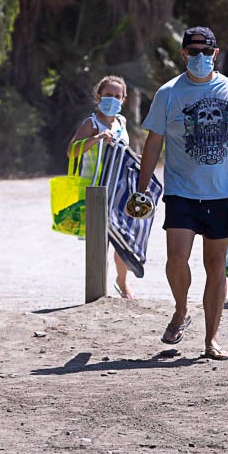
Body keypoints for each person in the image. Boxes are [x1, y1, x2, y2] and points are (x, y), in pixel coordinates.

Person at [135, 26, 228, 360]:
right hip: (182, 191)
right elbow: (154, 142)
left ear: (215, 54)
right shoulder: (169, 93)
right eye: (193, 52)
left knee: (215, 263)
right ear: (183, 55)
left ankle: (211, 339)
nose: (200, 58)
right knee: (176, 259)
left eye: (206, 52)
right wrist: (142, 187)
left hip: (226, 192)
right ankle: (181, 310)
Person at [67, 75, 137, 299]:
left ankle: (122, 283)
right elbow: (72, 151)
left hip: (120, 188)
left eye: (117, 96)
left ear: (124, 99)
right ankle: (98, 290)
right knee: (100, 242)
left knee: (122, 239)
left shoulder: (122, 122)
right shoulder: (91, 123)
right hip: (96, 190)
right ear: (98, 97)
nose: (113, 100)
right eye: (108, 95)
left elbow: (125, 150)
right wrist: (96, 138)